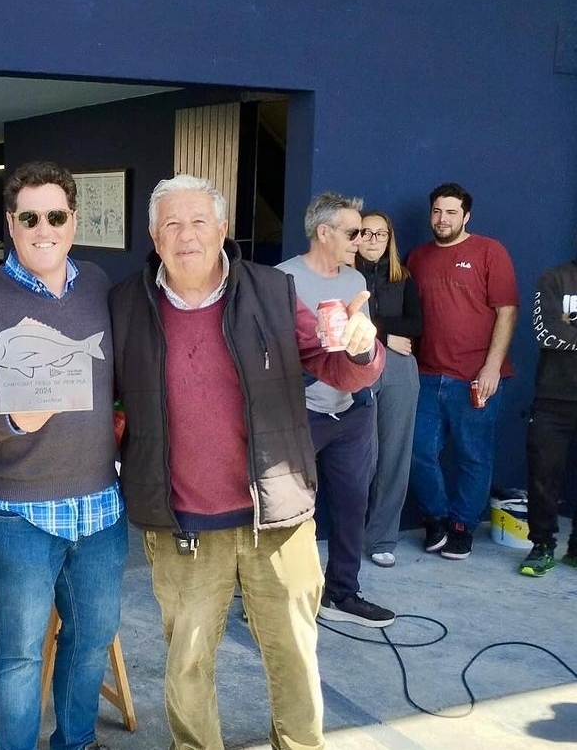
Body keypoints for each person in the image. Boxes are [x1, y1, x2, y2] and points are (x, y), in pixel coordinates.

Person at [110, 174, 383, 750]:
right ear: (154, 237)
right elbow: (105, 402)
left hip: (277, 517)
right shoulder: (126, 304)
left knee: (294, 658)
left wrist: (362, 347)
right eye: (171, 224)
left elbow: (336, 366)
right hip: (183, 523)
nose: (186, 236)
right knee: (187, 664)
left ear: (223, 229)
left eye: (199, 222)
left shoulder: (273, 291)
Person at [0, 160, 125, 750]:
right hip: (17, 511)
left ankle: (77, 741)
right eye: (30, 218)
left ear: (73, 220)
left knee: (92, 639)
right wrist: (13, 417)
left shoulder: (98, 284)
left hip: (100, 505)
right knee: (20, 654)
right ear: (11, 224)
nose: (43, 229)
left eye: (55, 216)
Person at [277, 193, 395, 627]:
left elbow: (361, 343)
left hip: (351, 412)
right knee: (286, 513)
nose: (361, 240)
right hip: (300, 414)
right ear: (323, 232)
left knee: (351, 505)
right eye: (353, 232)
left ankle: (342, 593)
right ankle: (274, 602)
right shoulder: (282, 279)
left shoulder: (355, 280)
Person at [407, 182, 519, 560]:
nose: (443, 219)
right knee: (418, 451)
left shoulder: (489, 251)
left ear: (466, 216)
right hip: (426, 374)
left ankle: (462, 526)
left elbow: (507, 311)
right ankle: (436, 518)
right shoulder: (417, 257)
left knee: (474, 456)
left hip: (476, 377)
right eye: (437, 211)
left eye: (452, 212)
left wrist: (491, 367)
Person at [355, 211, 423, 567]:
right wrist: (386, 334)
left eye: (380, 234)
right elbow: (343, 319)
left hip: (399, 367)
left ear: (389, 238)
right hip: (358, 363)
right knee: (361, 456)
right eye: (366, 232)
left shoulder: (403, 277)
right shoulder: (344, 275)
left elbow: (417, 324)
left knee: (395, 455)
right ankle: (350, 532)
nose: (373, 240)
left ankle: (382, 537)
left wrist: (380, 330)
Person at [519, 252, 577, 576]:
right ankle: (542, 546)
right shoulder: (554, 278)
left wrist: (571, 325)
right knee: (543, 477)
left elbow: (564, 330)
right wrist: (562, 326)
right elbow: (548, 332)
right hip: (553, 400)